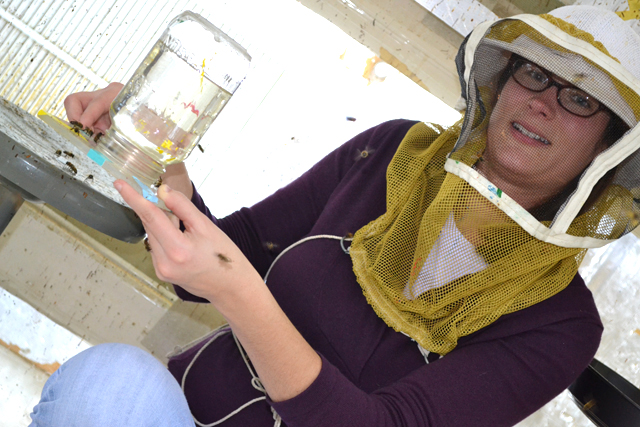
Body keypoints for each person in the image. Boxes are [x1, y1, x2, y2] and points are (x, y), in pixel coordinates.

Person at [29, 5, 640, 427]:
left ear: (609, 151)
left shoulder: (562, 324)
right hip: (175, 410)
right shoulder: (393, 152)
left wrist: (239, 294)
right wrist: (162, 169)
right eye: (533, 72)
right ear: (498, 83)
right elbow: (223, 256)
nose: (540, 101)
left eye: (580, 98)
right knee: (113, 378)